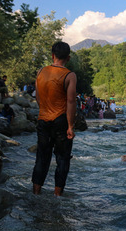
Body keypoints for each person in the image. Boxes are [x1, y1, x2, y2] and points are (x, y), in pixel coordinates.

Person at [31, 41, 77, 196]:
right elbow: (71, 101)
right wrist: (70, 126)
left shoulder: (41, 72)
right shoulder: (70, 75)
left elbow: (38, 97)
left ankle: (36, 192)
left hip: (43, 119)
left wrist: (44, 110)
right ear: (68, 58)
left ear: (52, 55)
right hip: (61, 120)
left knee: (41, 158)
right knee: (63, 159)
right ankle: (57, 195)